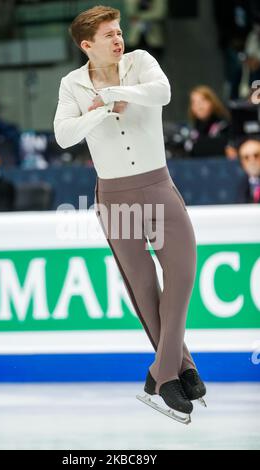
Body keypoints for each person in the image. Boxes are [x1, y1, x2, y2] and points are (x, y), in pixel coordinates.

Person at [54, 5, 206, 424]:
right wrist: (99, 110)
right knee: (143, 288)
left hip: (159, 187)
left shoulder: (140, 63)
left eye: (119, 32)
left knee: (181, 275)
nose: (118, 39)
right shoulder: (72, 84)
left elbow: (163, 93)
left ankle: (161, 372)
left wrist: (119, 94)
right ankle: (183, 370)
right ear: (88, 46)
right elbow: (64, 134)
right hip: (115, 197)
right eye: (109, 35)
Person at [185, 86, 231, 157]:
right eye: (194, 102)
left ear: (212, 102)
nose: (199, 105)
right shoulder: (190, 131)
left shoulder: (225, 126)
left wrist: (195, 147)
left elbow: (223, 147)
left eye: (203, 100)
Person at [237, 138, 260, 203]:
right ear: (242, 162)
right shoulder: (241, 185)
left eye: (256, 155)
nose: (252, 161)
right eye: (246, 157)